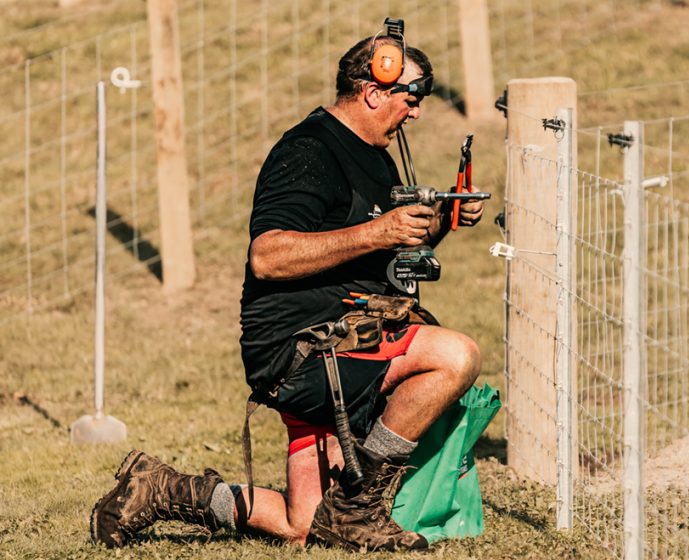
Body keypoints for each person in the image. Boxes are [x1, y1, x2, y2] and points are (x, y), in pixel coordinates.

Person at [89, 30, 485, 552]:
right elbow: (268, 255)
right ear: (373, 92)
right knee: (455, 355)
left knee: (303, 525)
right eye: (410, 99)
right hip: (304, 350)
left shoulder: (375, 154)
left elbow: (375, 250)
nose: (415, 114)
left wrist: (440, 221)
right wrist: (381, 230)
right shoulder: (309, 151)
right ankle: (359, 507)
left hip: (343, 345)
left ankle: (159, 488)